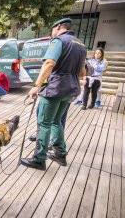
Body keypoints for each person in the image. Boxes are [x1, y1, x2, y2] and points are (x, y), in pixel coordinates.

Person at [21, 18, 86, 170]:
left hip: (55, 88)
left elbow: (49, 63)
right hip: (71, 88)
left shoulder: (59, 41)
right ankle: (60, 153)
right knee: (57, 122)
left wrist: (36, 85)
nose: (52, 33)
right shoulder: (81, 45)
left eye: (52, 30)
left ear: (58, 27)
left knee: (44, 123)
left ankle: (39, 159)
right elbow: (83, 72)